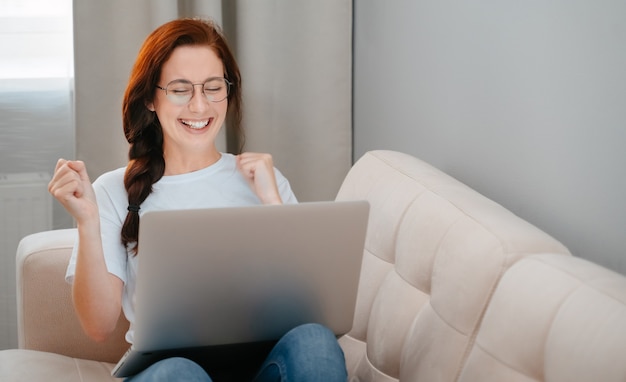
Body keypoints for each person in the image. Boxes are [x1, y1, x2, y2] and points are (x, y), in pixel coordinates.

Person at [48, 18, 347, 382]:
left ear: (228, 92)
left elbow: (308, 309)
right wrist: (87, 223)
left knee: (314, 341)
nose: (199, 105)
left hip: (258, 367)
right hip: (169, 371)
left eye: (213, 87)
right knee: (181, 372)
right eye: (180, 89)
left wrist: (271, 201)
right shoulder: (113, 191)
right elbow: (98, 326)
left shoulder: (264, 179)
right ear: (151, 99)